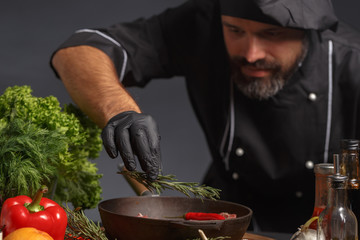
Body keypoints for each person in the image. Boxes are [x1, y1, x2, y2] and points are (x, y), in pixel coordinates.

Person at [50, 0, 360, 233]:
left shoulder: (352, 62)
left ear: (307, 31)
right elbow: (79, 50)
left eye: (272, 33)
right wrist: (119, 110)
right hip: (218, 227)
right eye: (235, 30)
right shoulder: (202, 23)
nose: (251, 53)